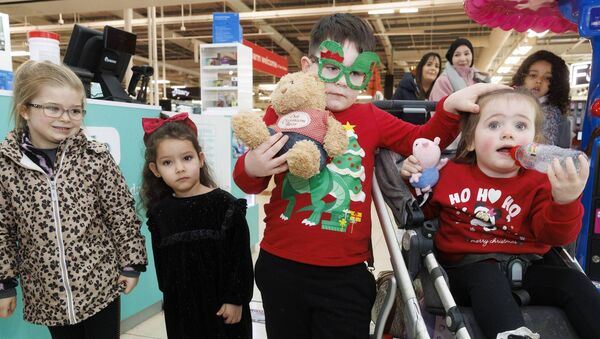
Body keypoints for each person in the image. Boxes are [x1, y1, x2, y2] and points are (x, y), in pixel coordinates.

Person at [233, 12, 507, 339]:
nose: (340, 82)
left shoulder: (371, 118)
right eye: (331, 68)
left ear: (368, 76)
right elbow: (248, 179)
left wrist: (449, 108)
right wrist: (252, 167)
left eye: (355, 73)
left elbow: (421, 140)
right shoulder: (283, 111)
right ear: (308, 66)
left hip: (346, 275)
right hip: (281, 265)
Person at [401, 88, 600, 339]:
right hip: (467, 270)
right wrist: (415, 178)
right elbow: (424, 211)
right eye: (494, 125)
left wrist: (566, 200)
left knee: (574, 283)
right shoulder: (451, 173)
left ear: (534, 142)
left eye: (520, 125)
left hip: (528, 268)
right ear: (471, 139)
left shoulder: (541, 182)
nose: (508, 133)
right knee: (487, 278)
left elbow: (555, 236)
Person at [0, 60, 147, 339]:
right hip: (47, 291)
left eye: (75, 110)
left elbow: (120, 212)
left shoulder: (95, 157)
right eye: (53, 108)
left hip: (99, 282)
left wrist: (131, 263)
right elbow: (1, 229)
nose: (66, 118)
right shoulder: (5, 166)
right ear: (24, 110)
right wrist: (4, 283)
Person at [140, 113, 253, 339]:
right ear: (155, 170)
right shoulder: (160, 213)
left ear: (200, 159)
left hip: (224, 307)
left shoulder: (225, 204)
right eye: (168, 162)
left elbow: (240, 258)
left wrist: (236, 299)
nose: (180, 168)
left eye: (187, 158)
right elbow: (163, 266)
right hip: (181, 309)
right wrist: (169, 301)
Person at [511, 50, 572, 148]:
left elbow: (563, 154)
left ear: (555, 83)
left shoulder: (559, 119)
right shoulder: (505, 105)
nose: (539, 81)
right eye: (533, 75)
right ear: (523, 77)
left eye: (547, 78)